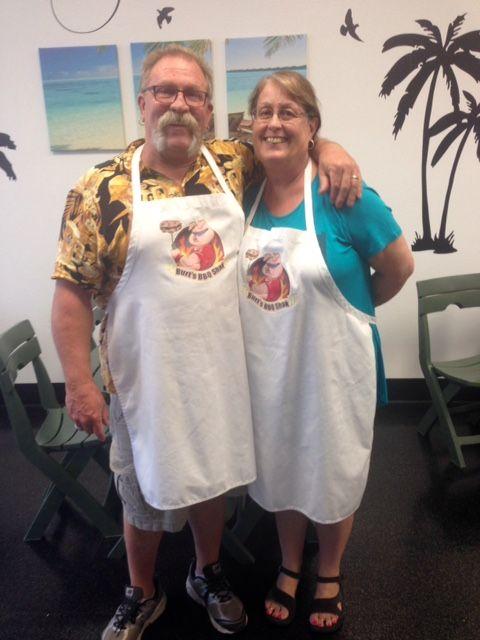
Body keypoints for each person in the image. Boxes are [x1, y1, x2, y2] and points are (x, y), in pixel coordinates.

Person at [51, 46, 362, 640]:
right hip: (141, 381)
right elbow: (69, 292)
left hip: (220, 372)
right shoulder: (101, 188)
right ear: (142, 103)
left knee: (212, 482)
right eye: (165, 92)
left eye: (192, 95)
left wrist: (332, 148)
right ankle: (141, 592)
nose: (178, 104)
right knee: (139, 493)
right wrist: (80, 383)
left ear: (210, 109)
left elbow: (290, 138)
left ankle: (207, 572)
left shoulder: (230, 162)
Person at [238, 71, 414, 633]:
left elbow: (398, 268)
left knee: (333, 468)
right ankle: (290, 563)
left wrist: (355, 308)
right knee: (284, 465)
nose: (274, 122)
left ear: (312, 126)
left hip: (333, 366)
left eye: (289, 112)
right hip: (271, 366)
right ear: (250, 126)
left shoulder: (342, 192)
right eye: (264, 111)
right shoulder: (243, 191)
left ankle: (330, 570)